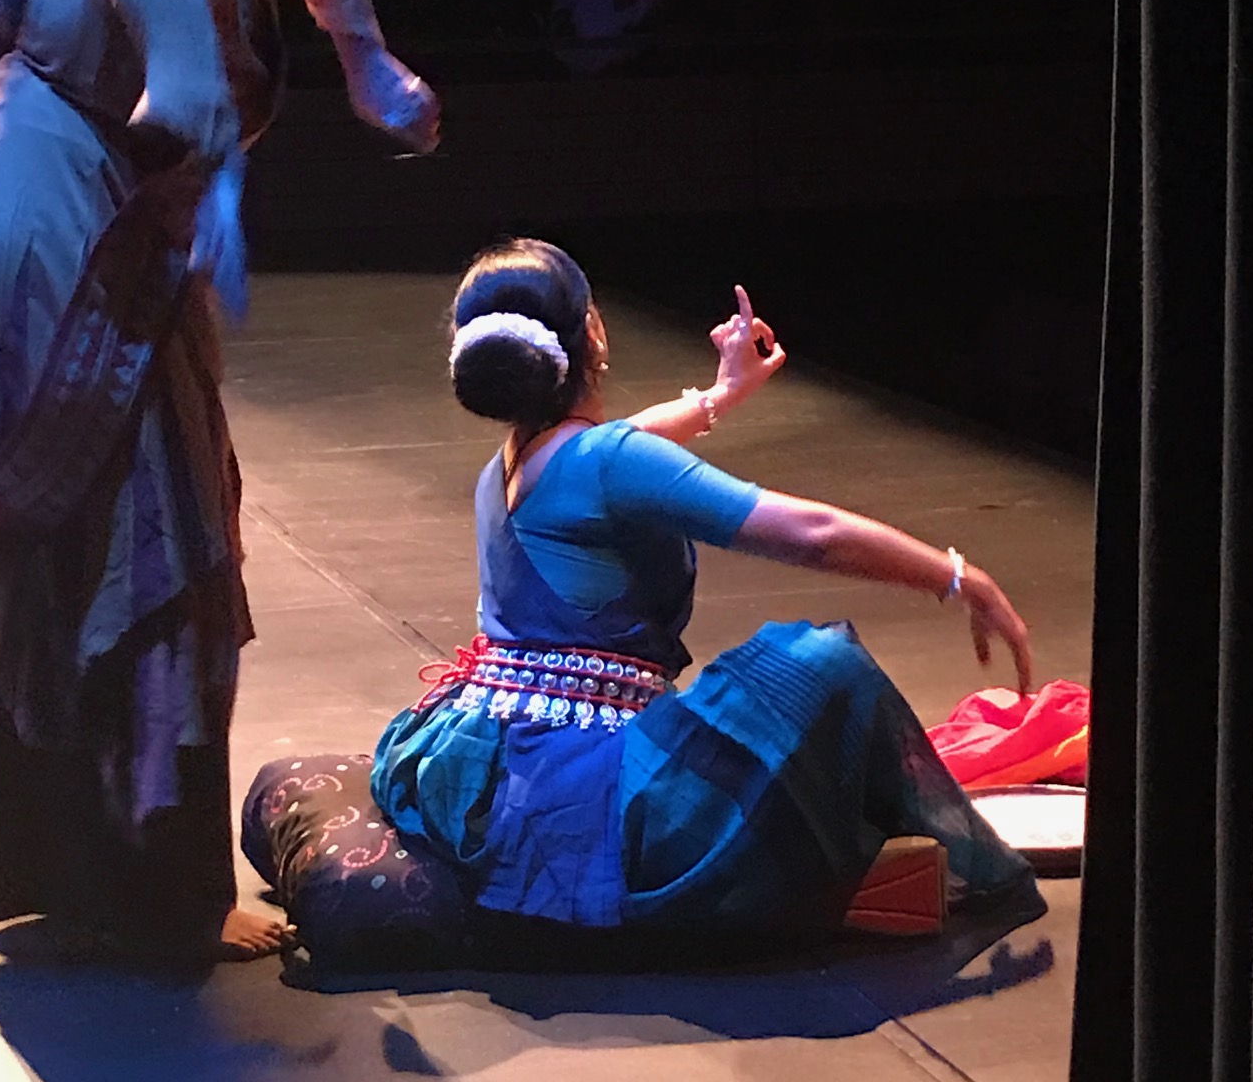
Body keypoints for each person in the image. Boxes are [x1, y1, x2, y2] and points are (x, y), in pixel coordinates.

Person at [0, 0, 439, 970]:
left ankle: (70, 875)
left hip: (54, 227)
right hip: (58, 257)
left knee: (91, 554)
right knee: (159, 556)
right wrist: (191, 115)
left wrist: (369, 64)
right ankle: (158, 899)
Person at [370, 239, 1041, 941]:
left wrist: (722, 394)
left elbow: (626, 440)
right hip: (591, 793)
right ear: (593, 332)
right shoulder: (608, 463)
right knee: (821, 665)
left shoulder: (511, 465)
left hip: (486, 758)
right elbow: (811, 534)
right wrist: (958, 576)